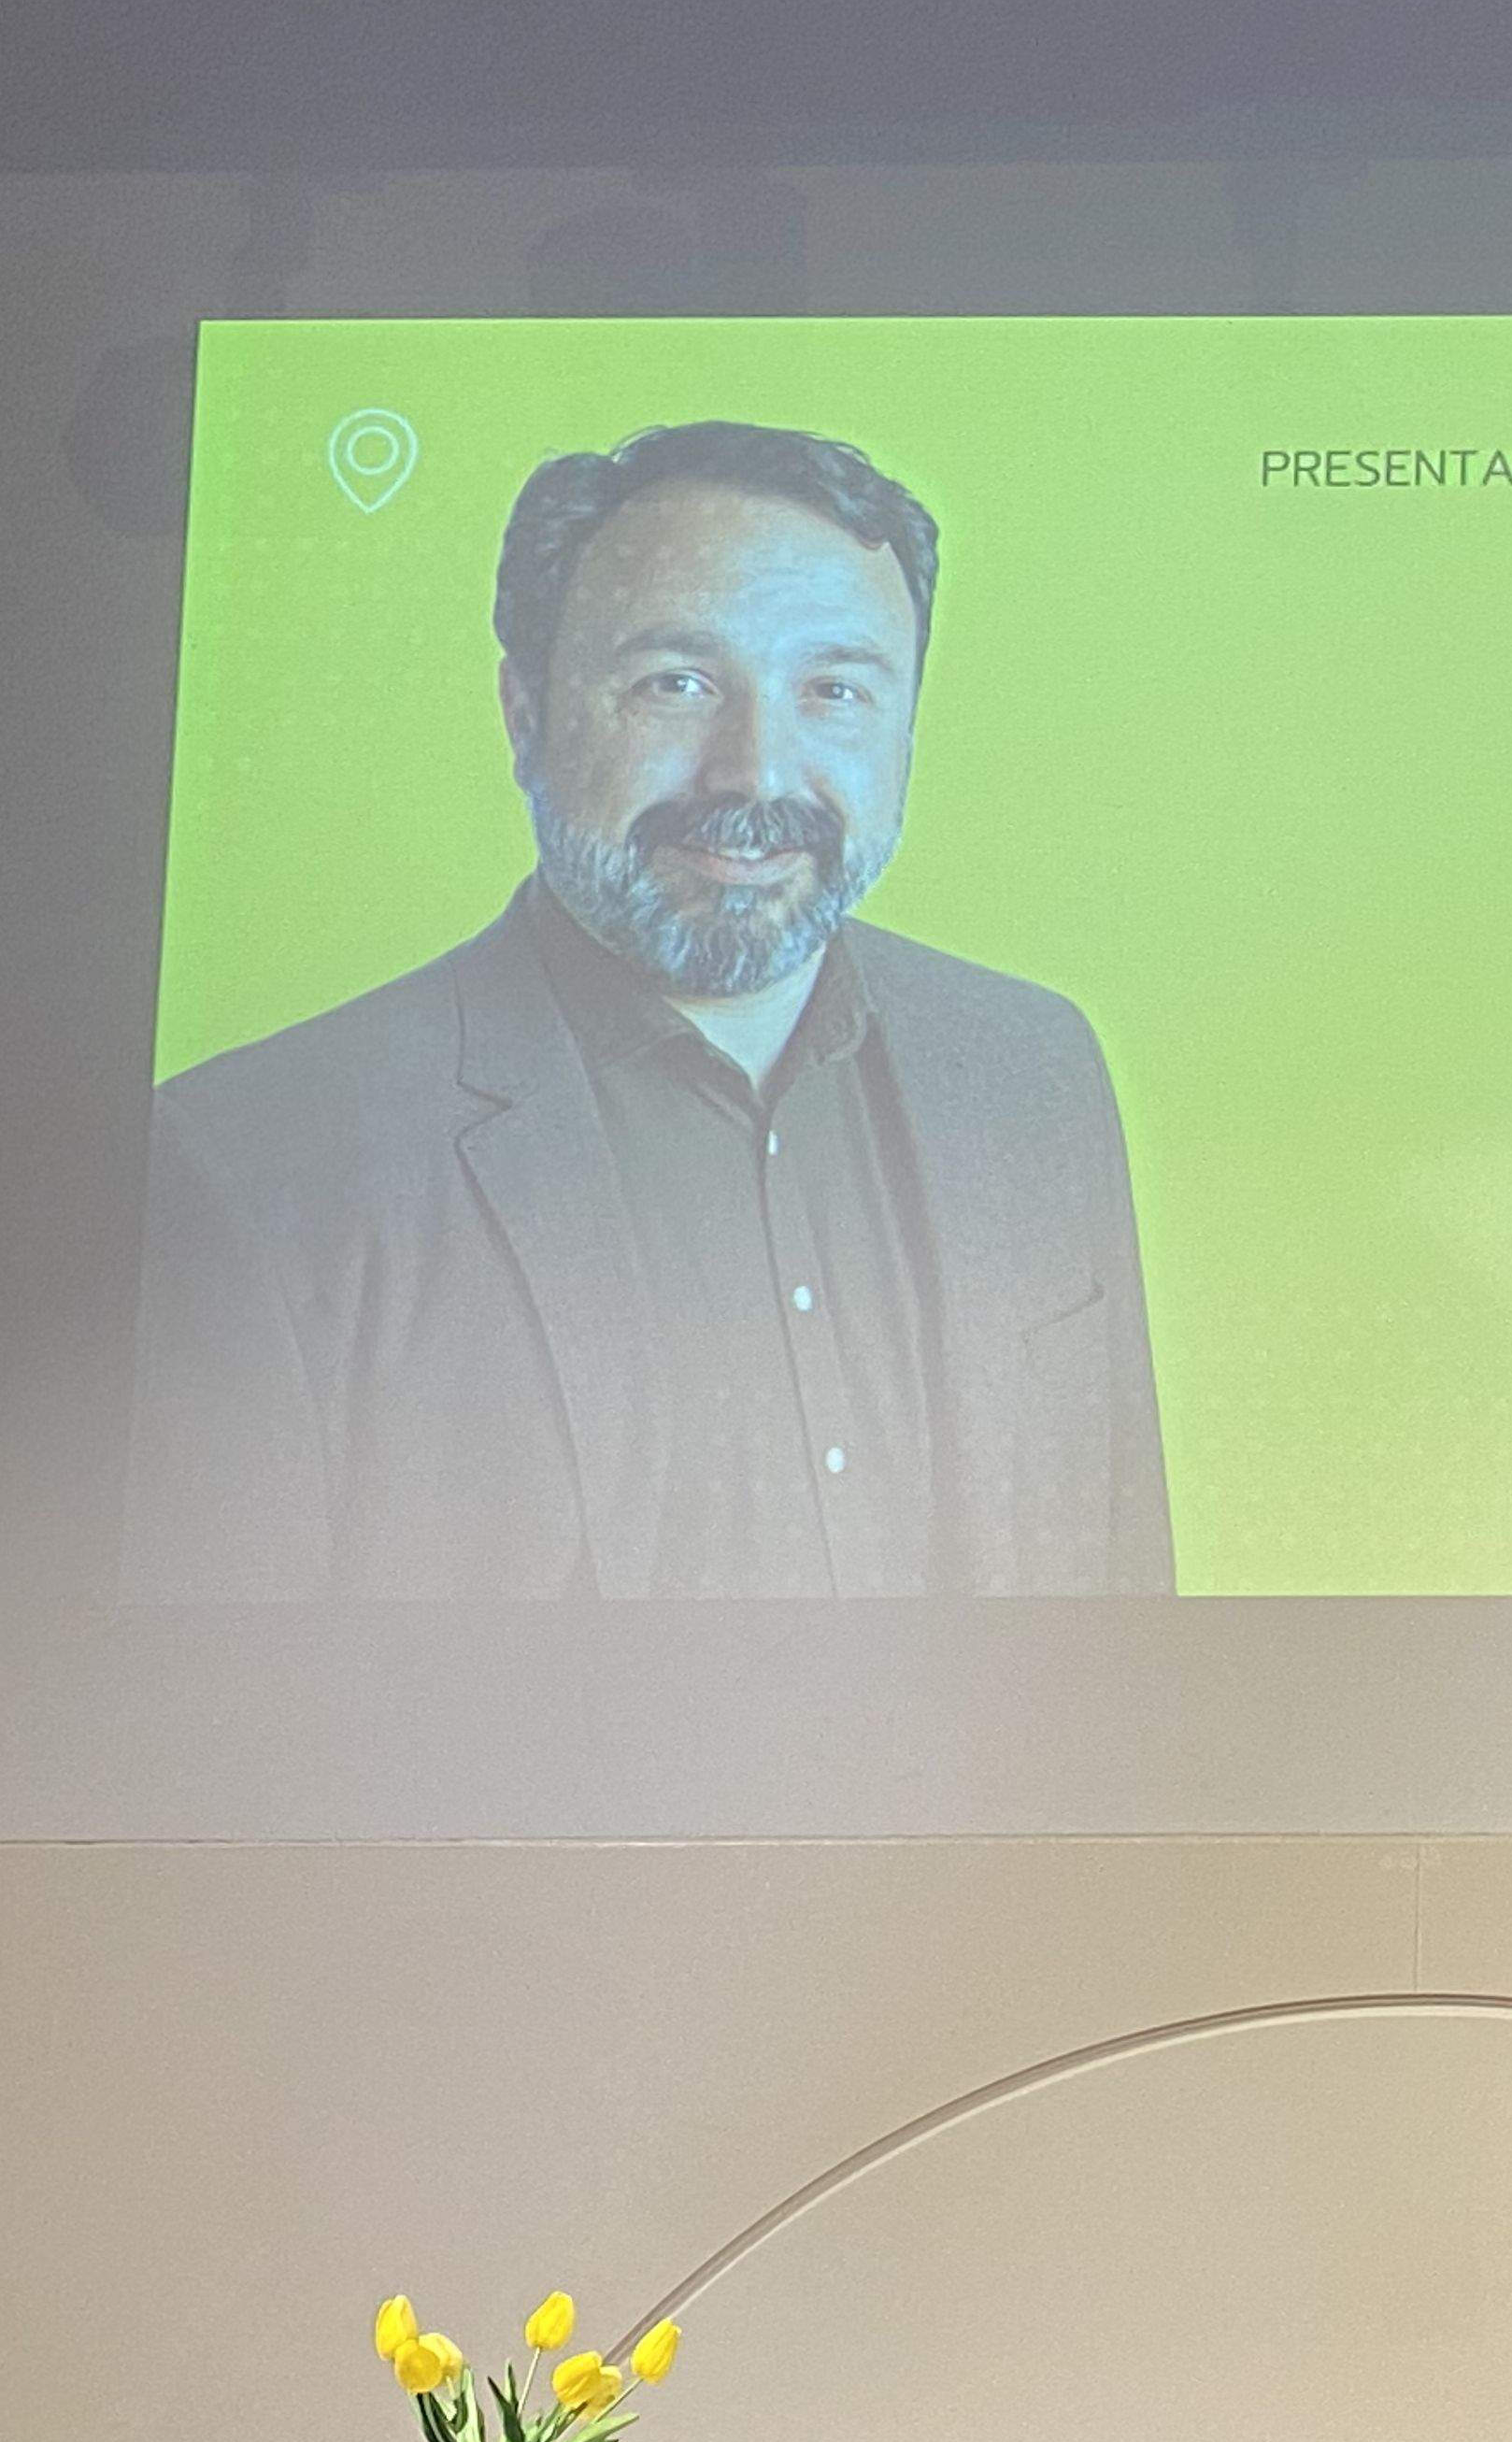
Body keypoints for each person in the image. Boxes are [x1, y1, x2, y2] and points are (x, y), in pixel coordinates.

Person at [122, 420, 1172, 1597]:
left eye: (834, 689)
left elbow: (1128, 1614)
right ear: (526, 716)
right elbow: (213, 1698)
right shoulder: (251, 1165)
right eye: (678, 685)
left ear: (908, 725)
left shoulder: (1036, 1069)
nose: (755, 771)